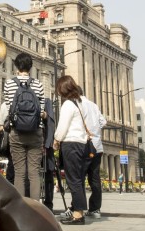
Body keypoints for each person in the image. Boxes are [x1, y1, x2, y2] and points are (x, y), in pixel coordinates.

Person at [1, 52, 46, 203]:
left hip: (17, 132)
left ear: (16, 65)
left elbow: (8, 107)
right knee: (34, 172)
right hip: (35, 131)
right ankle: (36, 207)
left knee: (19, 172)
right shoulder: (38, 84)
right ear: (31, 67)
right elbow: (41, 109)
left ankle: (21, 208)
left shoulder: (9, 84)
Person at [52, 75, 93, 225]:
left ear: (63, 88)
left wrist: (56, 139)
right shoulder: (80, 103)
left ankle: (78, 215)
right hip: (82, 144)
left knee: (73, 180)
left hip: (71, 144)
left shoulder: (68, 105)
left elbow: (63, 126)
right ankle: (77, 211)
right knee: (78, 179)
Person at [79, 93, 106, 218]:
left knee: (79, 177)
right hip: (97, 145)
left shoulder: (78, 104)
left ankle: (77, 207)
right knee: (95, 178)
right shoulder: (94, 105)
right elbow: (103, 121)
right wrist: (95, 131)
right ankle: (95, 209)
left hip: (85, 144)